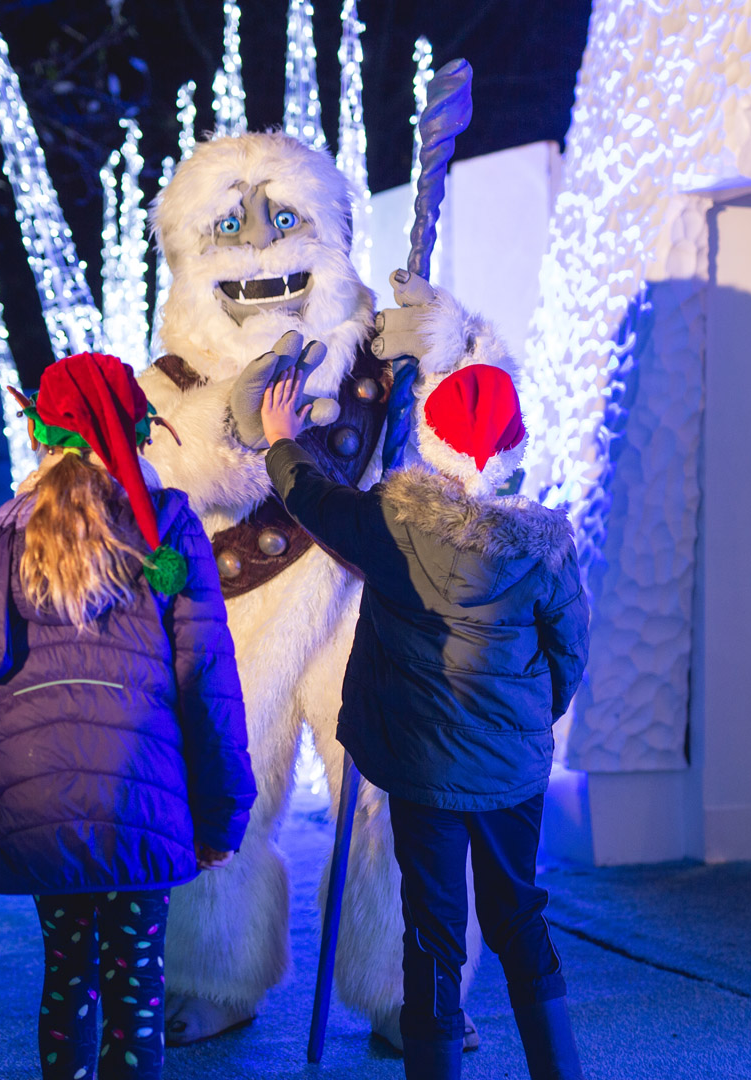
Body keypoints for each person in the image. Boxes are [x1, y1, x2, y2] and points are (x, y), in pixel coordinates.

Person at [260, 346, 590, 1080]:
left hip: (420, 769)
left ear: (433, 444)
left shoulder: (391, 522)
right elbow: (570, 656)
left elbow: (312, 500)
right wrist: (525, 725)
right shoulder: (548, 546)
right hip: (510, 769)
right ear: (514, 447)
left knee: (433, 934)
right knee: (519, 915)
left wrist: (281, 439)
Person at [0, 351, 257, 1080]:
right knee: (136, 989)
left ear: (42, 433)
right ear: (136, 427)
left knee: (67, 974)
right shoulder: (166, 528)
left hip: (35, 800)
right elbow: (207, 683)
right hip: (141, 799)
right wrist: (220, 815)